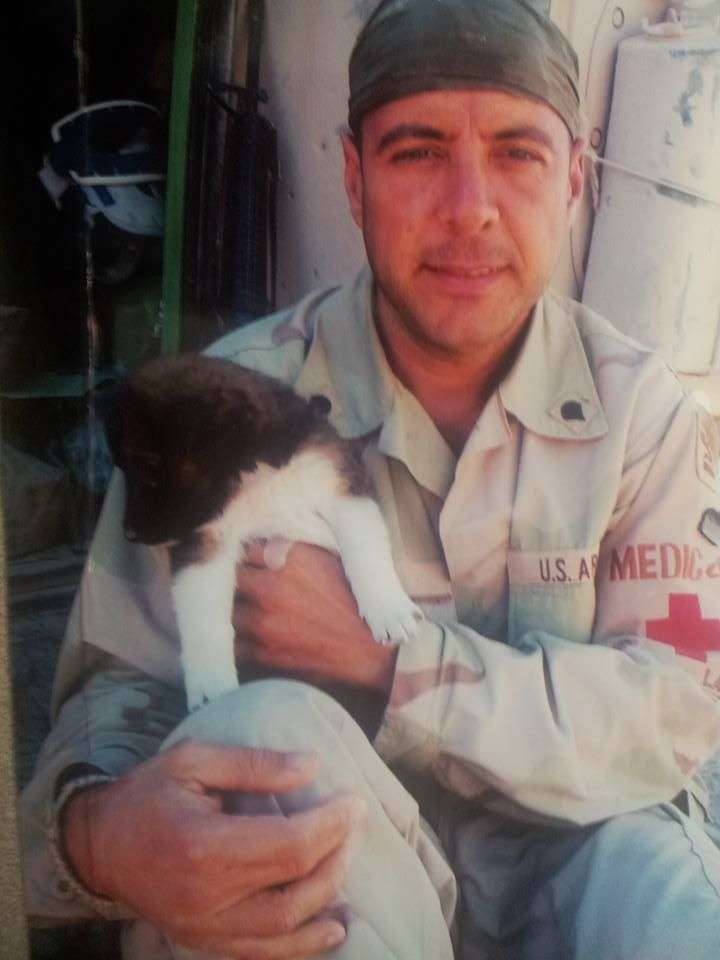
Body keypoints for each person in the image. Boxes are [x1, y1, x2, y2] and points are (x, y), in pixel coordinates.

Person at [20, 0, 720, 957]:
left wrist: (391, 662)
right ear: (352, 178)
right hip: (339, 869)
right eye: (417, 151)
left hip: (579, 866)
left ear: (574, 181)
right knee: (264, 738)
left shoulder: (642, 418)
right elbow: (120, 691)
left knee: (671, 897)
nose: (469, 205)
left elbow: (676, 713)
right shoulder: (229, 403)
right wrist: (98, 839)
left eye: (517, 153)